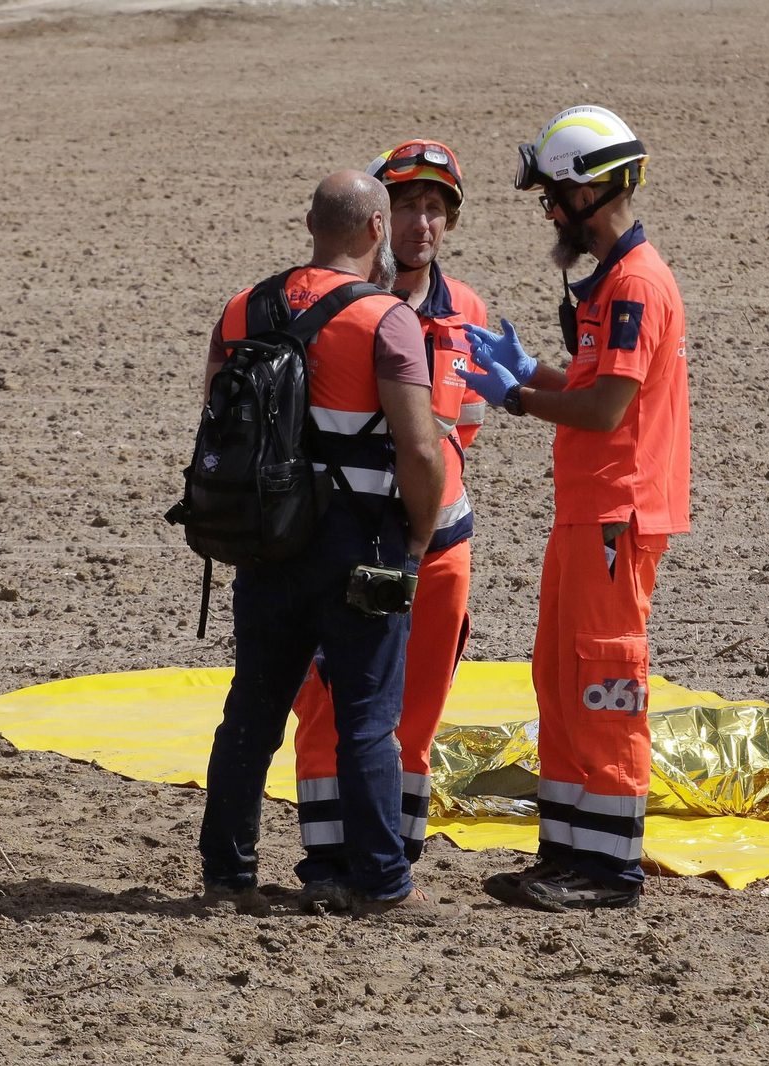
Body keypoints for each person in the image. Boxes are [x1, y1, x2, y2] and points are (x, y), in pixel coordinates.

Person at [197, 170, 450, 917]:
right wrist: (419, 537)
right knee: (368, 718)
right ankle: (382, 882)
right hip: (360, 542)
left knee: (252, 710)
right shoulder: (386, 320)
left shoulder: (245, 307)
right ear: (377, 229)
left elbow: (218, 417)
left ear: (310, 222)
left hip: (266, 540)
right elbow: (422, 450)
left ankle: (228, 876)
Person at [459, 105, 691, 911]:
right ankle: (567, 854)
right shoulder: (610, 285)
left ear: (593, 193)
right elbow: (591, 389)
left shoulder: (633, 285)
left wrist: (520, 397)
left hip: (615, 518)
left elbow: (605, 413)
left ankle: (608, 870)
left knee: (604, 684)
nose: (549, 212)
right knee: (559, 680)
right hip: (586, 511)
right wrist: (533, 370)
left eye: (555, 196)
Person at [290, 140, 492, 909]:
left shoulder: (467, 311)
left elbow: (458, 433)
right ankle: (328, 863)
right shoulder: (331, 302)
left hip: (439, 545)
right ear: (378, 218)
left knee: (417, 713)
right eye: (408, 205)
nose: (424, 223)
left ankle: (390, 862)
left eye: (438, 208)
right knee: (327, 708)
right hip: (345, 543)